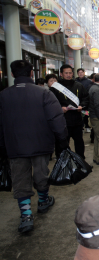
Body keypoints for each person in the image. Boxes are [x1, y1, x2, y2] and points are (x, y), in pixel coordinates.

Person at [0, 60, 68, 233]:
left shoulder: (3, 95)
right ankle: (43, 201)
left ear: (13, 74)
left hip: (14, 145)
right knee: (41, 173)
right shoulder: (44, 93)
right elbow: (56, 118)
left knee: (20, 179)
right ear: (32, 73)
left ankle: (26, 216)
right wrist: (62, 139)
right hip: (41, 142)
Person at [50, 64, 89, 160]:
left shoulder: (79, 85)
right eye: (66, 73)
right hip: (62, 121)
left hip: (77, 120)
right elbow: (50, 103)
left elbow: (86, 98)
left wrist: (82, 106)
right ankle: (63, 162)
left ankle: (81, 161)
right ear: (61, 74)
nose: (68, 75)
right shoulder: (55, 87)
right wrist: (60, 108)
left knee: (79, 142)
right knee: (62, 143)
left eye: (70, 73)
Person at [77, 68, 92, 133]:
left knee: (86, 114)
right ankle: (81, 127)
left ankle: (87, 126)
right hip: (78, 100)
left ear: (84, 73)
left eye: (82, 72)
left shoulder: (88, 81)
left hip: (86, 101)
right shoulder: (75, 81)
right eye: (79, 72)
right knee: (79, 115)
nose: (80, 74)